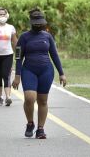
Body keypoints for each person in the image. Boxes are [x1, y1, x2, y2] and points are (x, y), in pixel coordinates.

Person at [12, 8, 67, 139]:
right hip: (29, 70)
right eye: (35, 22)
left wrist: (61, 73)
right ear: (31, 22)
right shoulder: (24, 37)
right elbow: (19, 57)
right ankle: (30, 123)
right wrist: (17, 76)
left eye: (40, 22)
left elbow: (54, 55)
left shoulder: (47, 36)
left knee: (42, 101)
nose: (38, 24)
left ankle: (40, 129)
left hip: (46, 70)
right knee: (30, 98)